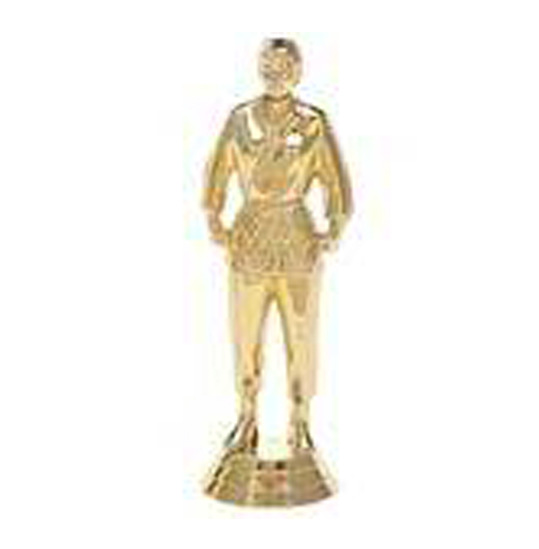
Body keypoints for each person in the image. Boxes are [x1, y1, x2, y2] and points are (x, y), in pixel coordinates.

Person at [203, 38, 353, 452]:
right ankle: (246, 414)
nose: (275, 75)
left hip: (297, 239)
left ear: (298, 72)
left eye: (285, 67)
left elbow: (335, 179)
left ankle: (300, 420)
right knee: (245, 334)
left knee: (301, 334)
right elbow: (217, 171)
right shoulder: (240, 120)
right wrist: (214, 215)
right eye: (268, 67)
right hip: (250, 237)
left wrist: (335, 223)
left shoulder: (313, 123)